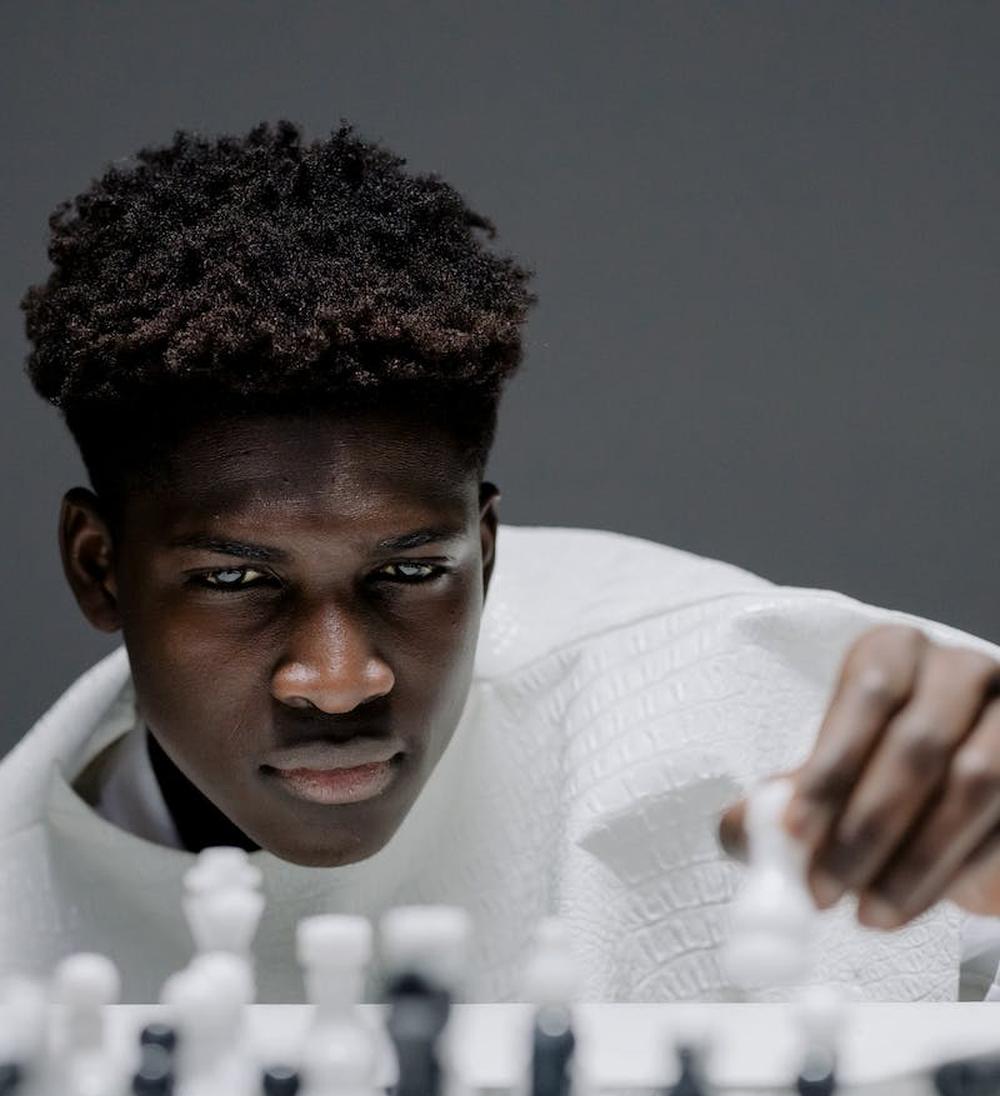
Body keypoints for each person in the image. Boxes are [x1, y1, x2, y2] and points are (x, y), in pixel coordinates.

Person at [3, 117, 999, 1006]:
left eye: (408, 573)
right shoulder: (16, 896)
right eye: (234, 581)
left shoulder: (747, 718)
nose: (341, 682)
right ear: (98, 569)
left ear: (484, 549)